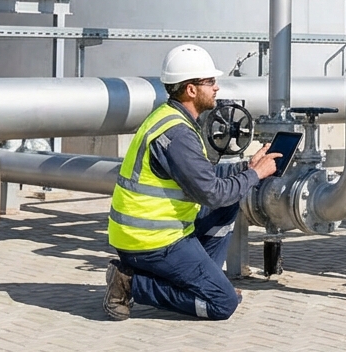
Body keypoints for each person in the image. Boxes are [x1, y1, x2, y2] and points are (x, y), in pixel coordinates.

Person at [103, 44, 280, 321]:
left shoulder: (167, 117)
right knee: (223, 304)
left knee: (229, 205)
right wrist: (255, 175)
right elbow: (212, 193)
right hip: (151, 244)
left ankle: (202, 282)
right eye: (210, 82)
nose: (217, 88)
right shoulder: (178, 134)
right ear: (191, 90)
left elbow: (202, 177)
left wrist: (247, 166)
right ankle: (131, 284)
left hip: (144, 238)